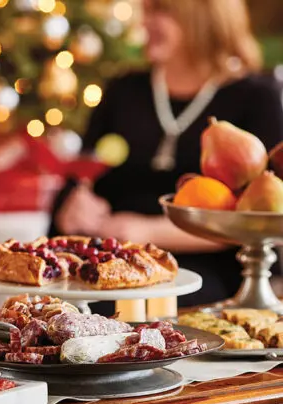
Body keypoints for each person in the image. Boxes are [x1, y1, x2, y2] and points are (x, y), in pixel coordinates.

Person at [50, 0, 283, 311]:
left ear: (204, 17)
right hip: (110, 256)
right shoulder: (123, 90)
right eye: (145, 11)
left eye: (161, 11)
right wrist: (73, 206)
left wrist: (145, 232)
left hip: (206, 269)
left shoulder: (255, 97)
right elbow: (83, 174)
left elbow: (262, 210)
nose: (145, 23)